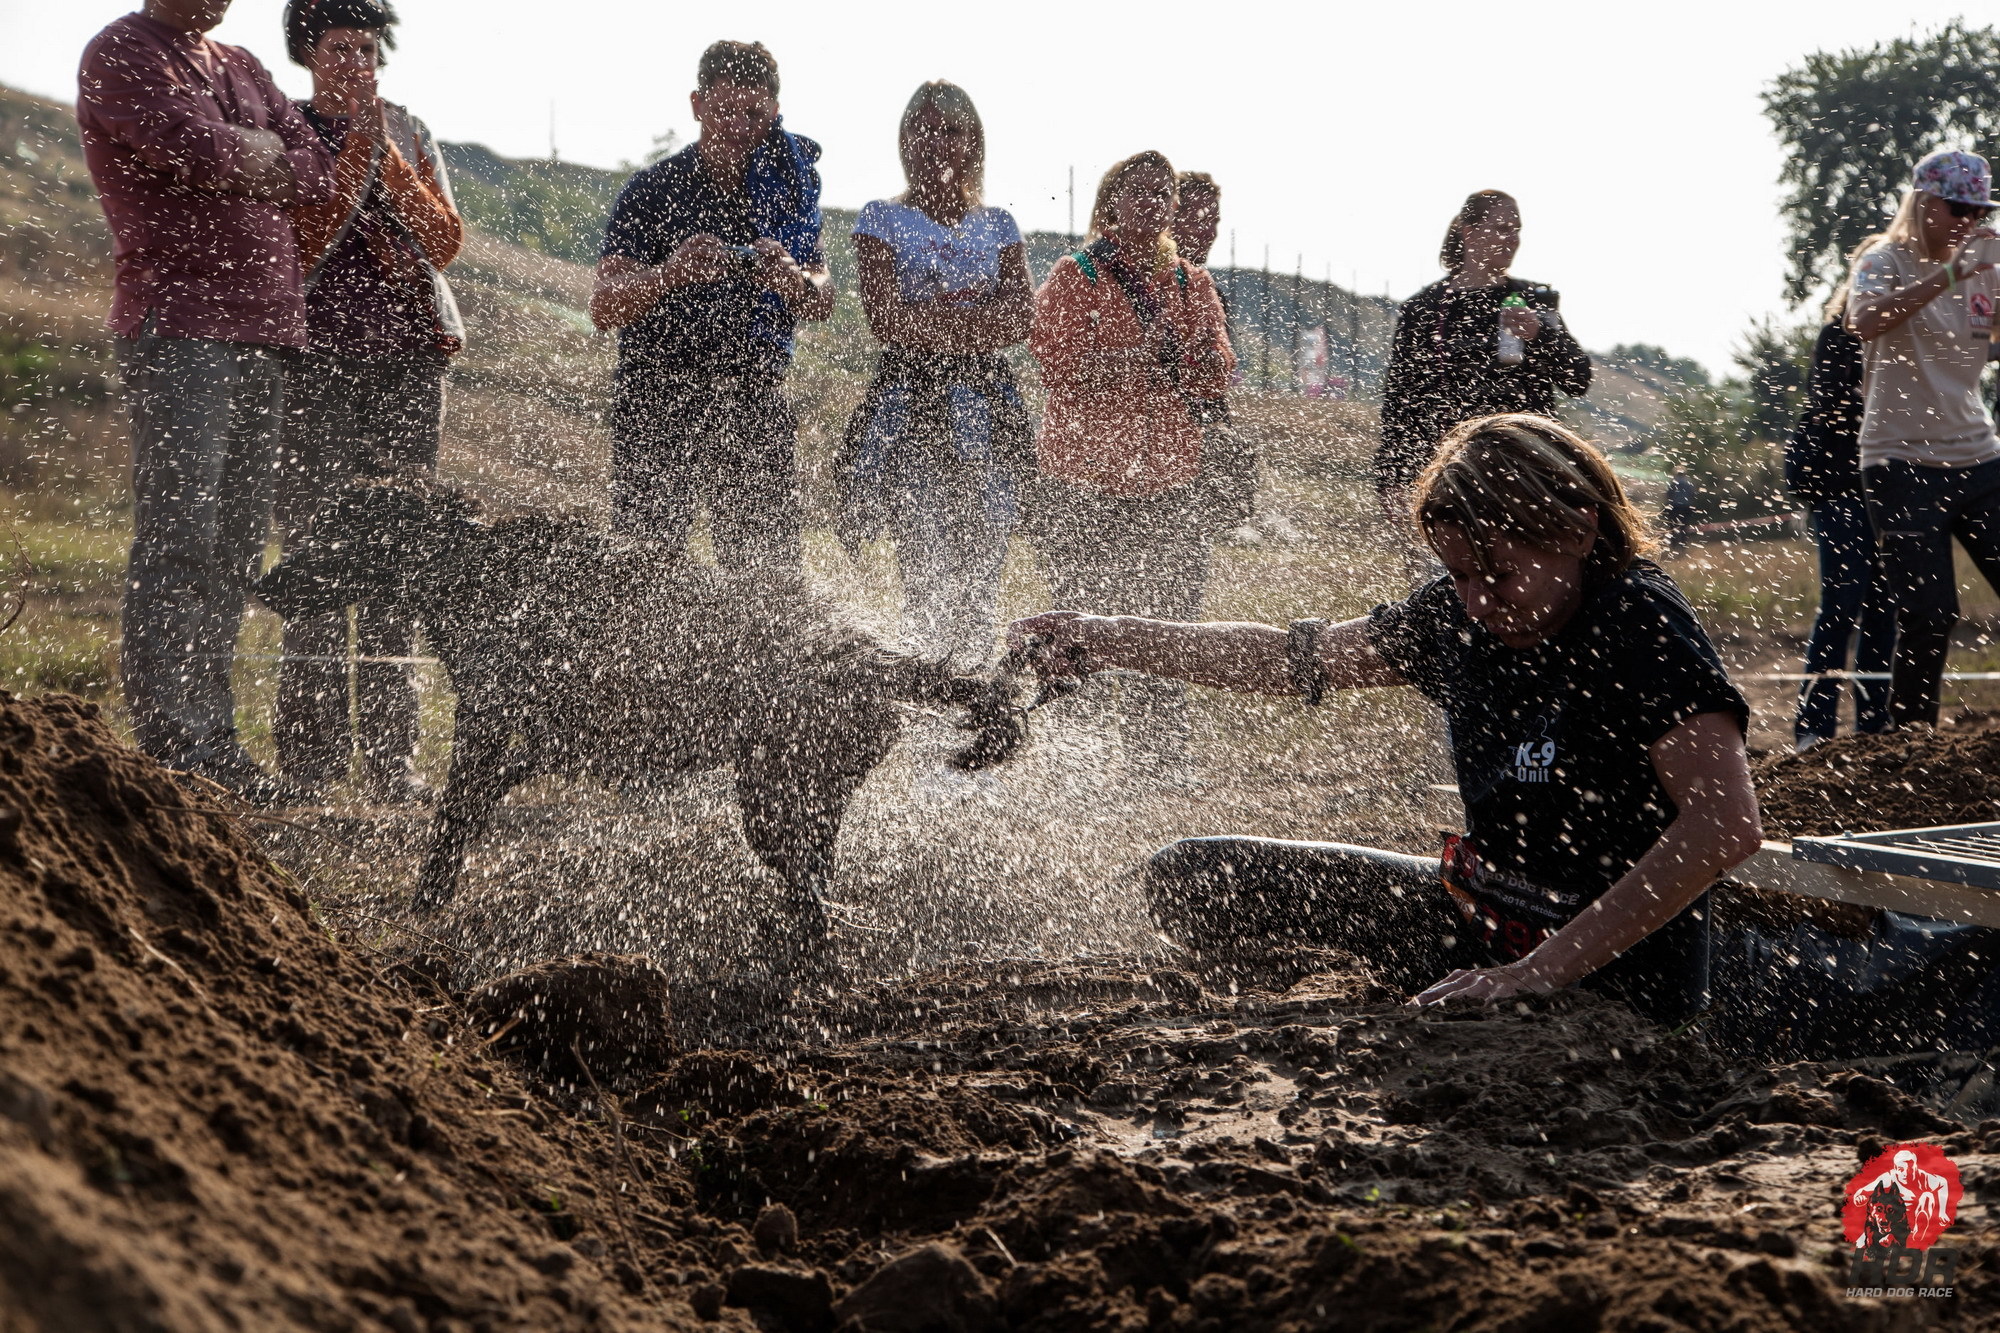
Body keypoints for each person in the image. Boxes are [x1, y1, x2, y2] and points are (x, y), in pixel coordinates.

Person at [1009, 414, 1760, 1027]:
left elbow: (1725, 825)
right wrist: (1103, 637)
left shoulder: (1640, 619)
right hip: (1481, 929)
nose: (1475, 602)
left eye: (1497, 573)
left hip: (1613, 976)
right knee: (1194, 875)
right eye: (1458, 574)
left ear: (1579, 529)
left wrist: (1534, 975)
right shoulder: (1459, 618)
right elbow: (1290, 659)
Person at [78, 0, 333, 805]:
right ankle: (168, 743)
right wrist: (264, 155)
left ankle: (214, 738)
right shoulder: (123, 50)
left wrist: (256, 154)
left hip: (266, 327)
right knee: (181, 534)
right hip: (179, 322)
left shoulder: (244, 63)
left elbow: (317, 168)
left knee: (233, 545)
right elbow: (189, 149)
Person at [269, 0, 463, 803]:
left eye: (369, 46)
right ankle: (310, 766)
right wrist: (349, 162)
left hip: (411, 365)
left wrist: (384, 157)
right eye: (341, 47)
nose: (359, 62)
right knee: (317, 557)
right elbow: (294, 245)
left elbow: (446, 241)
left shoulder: (409, 130)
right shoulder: (278, 126)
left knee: (399, 557)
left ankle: (394, 764)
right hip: (312, 364)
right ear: (306, 52)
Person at [1029, 151, 1236, 772]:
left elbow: (1217, 375)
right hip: (1084, 478)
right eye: (1136, 191)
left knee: (1168, 622)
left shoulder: (1191, 283)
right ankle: (1070, 755)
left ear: (1174, 206)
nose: (1149, 202)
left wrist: (1175, 360)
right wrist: (1124, 363)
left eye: (1160, 193)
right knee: (1077, 621)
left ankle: (1158, 755)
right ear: (1111, 200)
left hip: (1169, 476)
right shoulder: (1076, 274)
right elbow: (1055, 364)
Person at [591, 41, 832, 572]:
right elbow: (604, 306)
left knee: (769, 581)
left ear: (773, 112)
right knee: (646, 571)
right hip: (659, 394)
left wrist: (791, 278)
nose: (739, 125)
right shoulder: (652, 191)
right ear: (698, 105)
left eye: (754, 113)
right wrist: (672, 273)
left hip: (754, 394)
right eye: (725, 110)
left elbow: (822, 296)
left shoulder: (786, 189)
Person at [837, 81, 1033, 669]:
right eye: (923, 128)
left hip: (988, 409)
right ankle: (929, 708)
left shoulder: (998, 224)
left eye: (951, 129)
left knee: (982, 567)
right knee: (924, 562)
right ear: (905, 140)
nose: (937, 142)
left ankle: (976, 715)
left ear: (973, 141)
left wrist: (936, 315)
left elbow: (1019, 316)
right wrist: (972, 316)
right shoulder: (882, 218)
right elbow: (887, 321)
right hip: (912, 405)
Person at [1846, 149, 2000, 729]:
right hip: (1900, 461)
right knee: (1930, 615)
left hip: (1979, 454)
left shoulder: (1985, 263)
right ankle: (1913, 741)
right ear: (1924, 203)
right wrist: (1950, 275)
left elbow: (1994, 335)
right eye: (1957, 207)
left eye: (1978, 210)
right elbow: (1863, 320)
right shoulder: (1881, 260)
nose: (1967, 220)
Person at [1376, 191, 1591, 513]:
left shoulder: (1534, 300)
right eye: (1502, 228)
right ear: (1469, 230)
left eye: (1516, 229)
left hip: (1528, 472)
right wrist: (1392, 479)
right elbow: (1401, 400)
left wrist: (1539, 334)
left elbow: (1578, 380)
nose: (1512, 238)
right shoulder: (1424, 309)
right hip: (1450, 476)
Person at [1785, 278, 1894, 750]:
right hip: (1843, 493)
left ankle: (1873, 724)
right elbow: (1835, 405)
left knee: (1884, 613)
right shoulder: (1839, 335)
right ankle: (1814, 728)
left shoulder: (1900, 338)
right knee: (1841, 607)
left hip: (1888, 491)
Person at [1170, 171, 1258, 535]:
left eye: (1215, 221)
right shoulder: (1137, 280)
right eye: (1200, 219)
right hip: (1153, 444)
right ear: (1171, 217)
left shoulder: (1209, 291)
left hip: (1195, 449)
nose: (1210, 232)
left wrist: (1224, 436)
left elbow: (1214, 387)